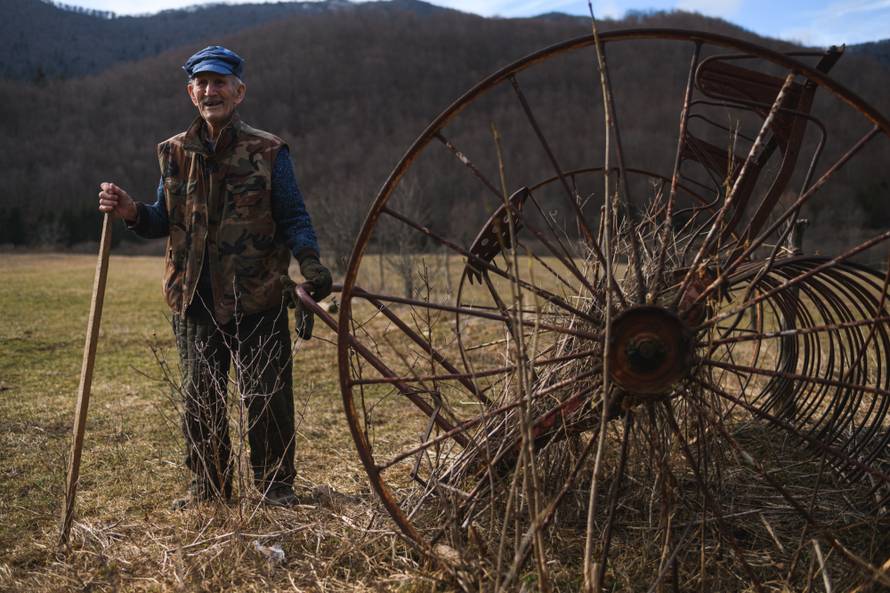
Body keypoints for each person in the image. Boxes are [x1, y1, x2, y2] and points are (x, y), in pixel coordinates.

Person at [98, 46, 332, 508]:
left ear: (239, 91)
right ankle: (209, 491)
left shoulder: (268, 151)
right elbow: (163, 219)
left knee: (268, 401)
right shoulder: (173, 152)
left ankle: (275, 492)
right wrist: (131, 212)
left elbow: (294, 217)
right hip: (195, 300)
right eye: (202, 84)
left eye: (220, 82)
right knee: (200, 403)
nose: (211, 91)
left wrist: (310, 263)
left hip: (257, 299)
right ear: (191, 93)